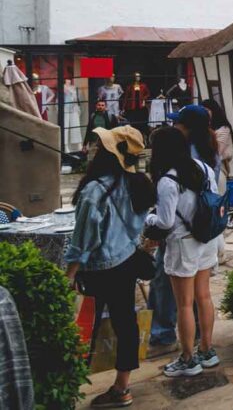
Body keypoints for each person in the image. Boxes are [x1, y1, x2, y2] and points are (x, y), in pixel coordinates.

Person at [64, 126, 154, 408]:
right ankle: (122, 386)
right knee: (125, 322)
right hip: (126, 262)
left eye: (98, 146)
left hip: (100, 269)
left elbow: (84, 240)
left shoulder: (94, 190)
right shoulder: (138, 184)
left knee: (84, 326)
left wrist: (69, 273)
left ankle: (68, 387)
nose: (92, 148)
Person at [145, 126, 220, 377]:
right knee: (204, 297)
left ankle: (188, 358)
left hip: (183, 243)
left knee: (184, 304)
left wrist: (149, 220)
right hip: (206, 238)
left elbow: (165, 222)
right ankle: (207, 350)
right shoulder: (204, 168)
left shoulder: (168, 180)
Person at [201, 99, 233, 192]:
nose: (205, 113)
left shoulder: (223, 129)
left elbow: (217, 151)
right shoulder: (204, 128)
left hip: (219, 169)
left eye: (207, 110)